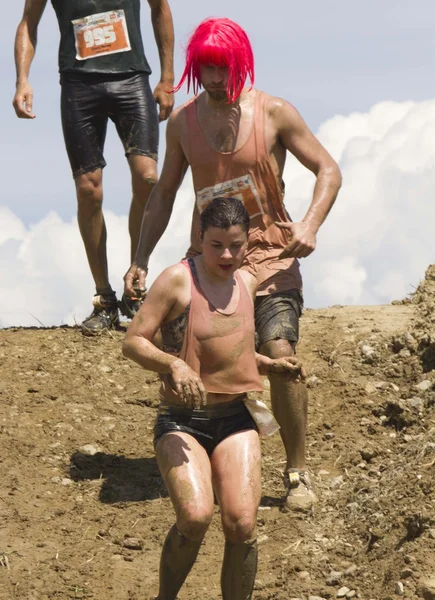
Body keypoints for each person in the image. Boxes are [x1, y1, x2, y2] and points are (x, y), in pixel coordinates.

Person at [123, 17, 342, 511]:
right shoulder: (183, 122)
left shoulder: (275, 113)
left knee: (278, 346)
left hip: (270, 255)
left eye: (224, 68)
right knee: (166, 339)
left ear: (240, 63)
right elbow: (162, 195)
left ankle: (297, 471)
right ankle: (205, 448)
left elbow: (328, 169)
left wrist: (309, 225)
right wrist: (140, 257)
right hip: (211, 259)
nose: (217, 80)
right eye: (206, 69)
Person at [123, 197, 306, 600]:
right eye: (216, 244)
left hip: (235, 416)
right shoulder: (177, 280)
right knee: (195, 515)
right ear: (199, 240)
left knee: (241, 523)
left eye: (235, 245)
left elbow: (233, 349)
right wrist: (173, 365)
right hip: (181, 419)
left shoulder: (248, 282)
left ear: (246, 244)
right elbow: (133, 341)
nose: (226, 254)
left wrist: (270, 366)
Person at [13, 0, 175, 335]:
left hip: (131, 79)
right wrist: (22, 80)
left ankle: (137, 278)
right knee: (89, 188)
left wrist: (167, 77)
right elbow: (29, 22)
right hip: (79, 85)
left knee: (148, 177)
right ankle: (104, 299)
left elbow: (160, 8)